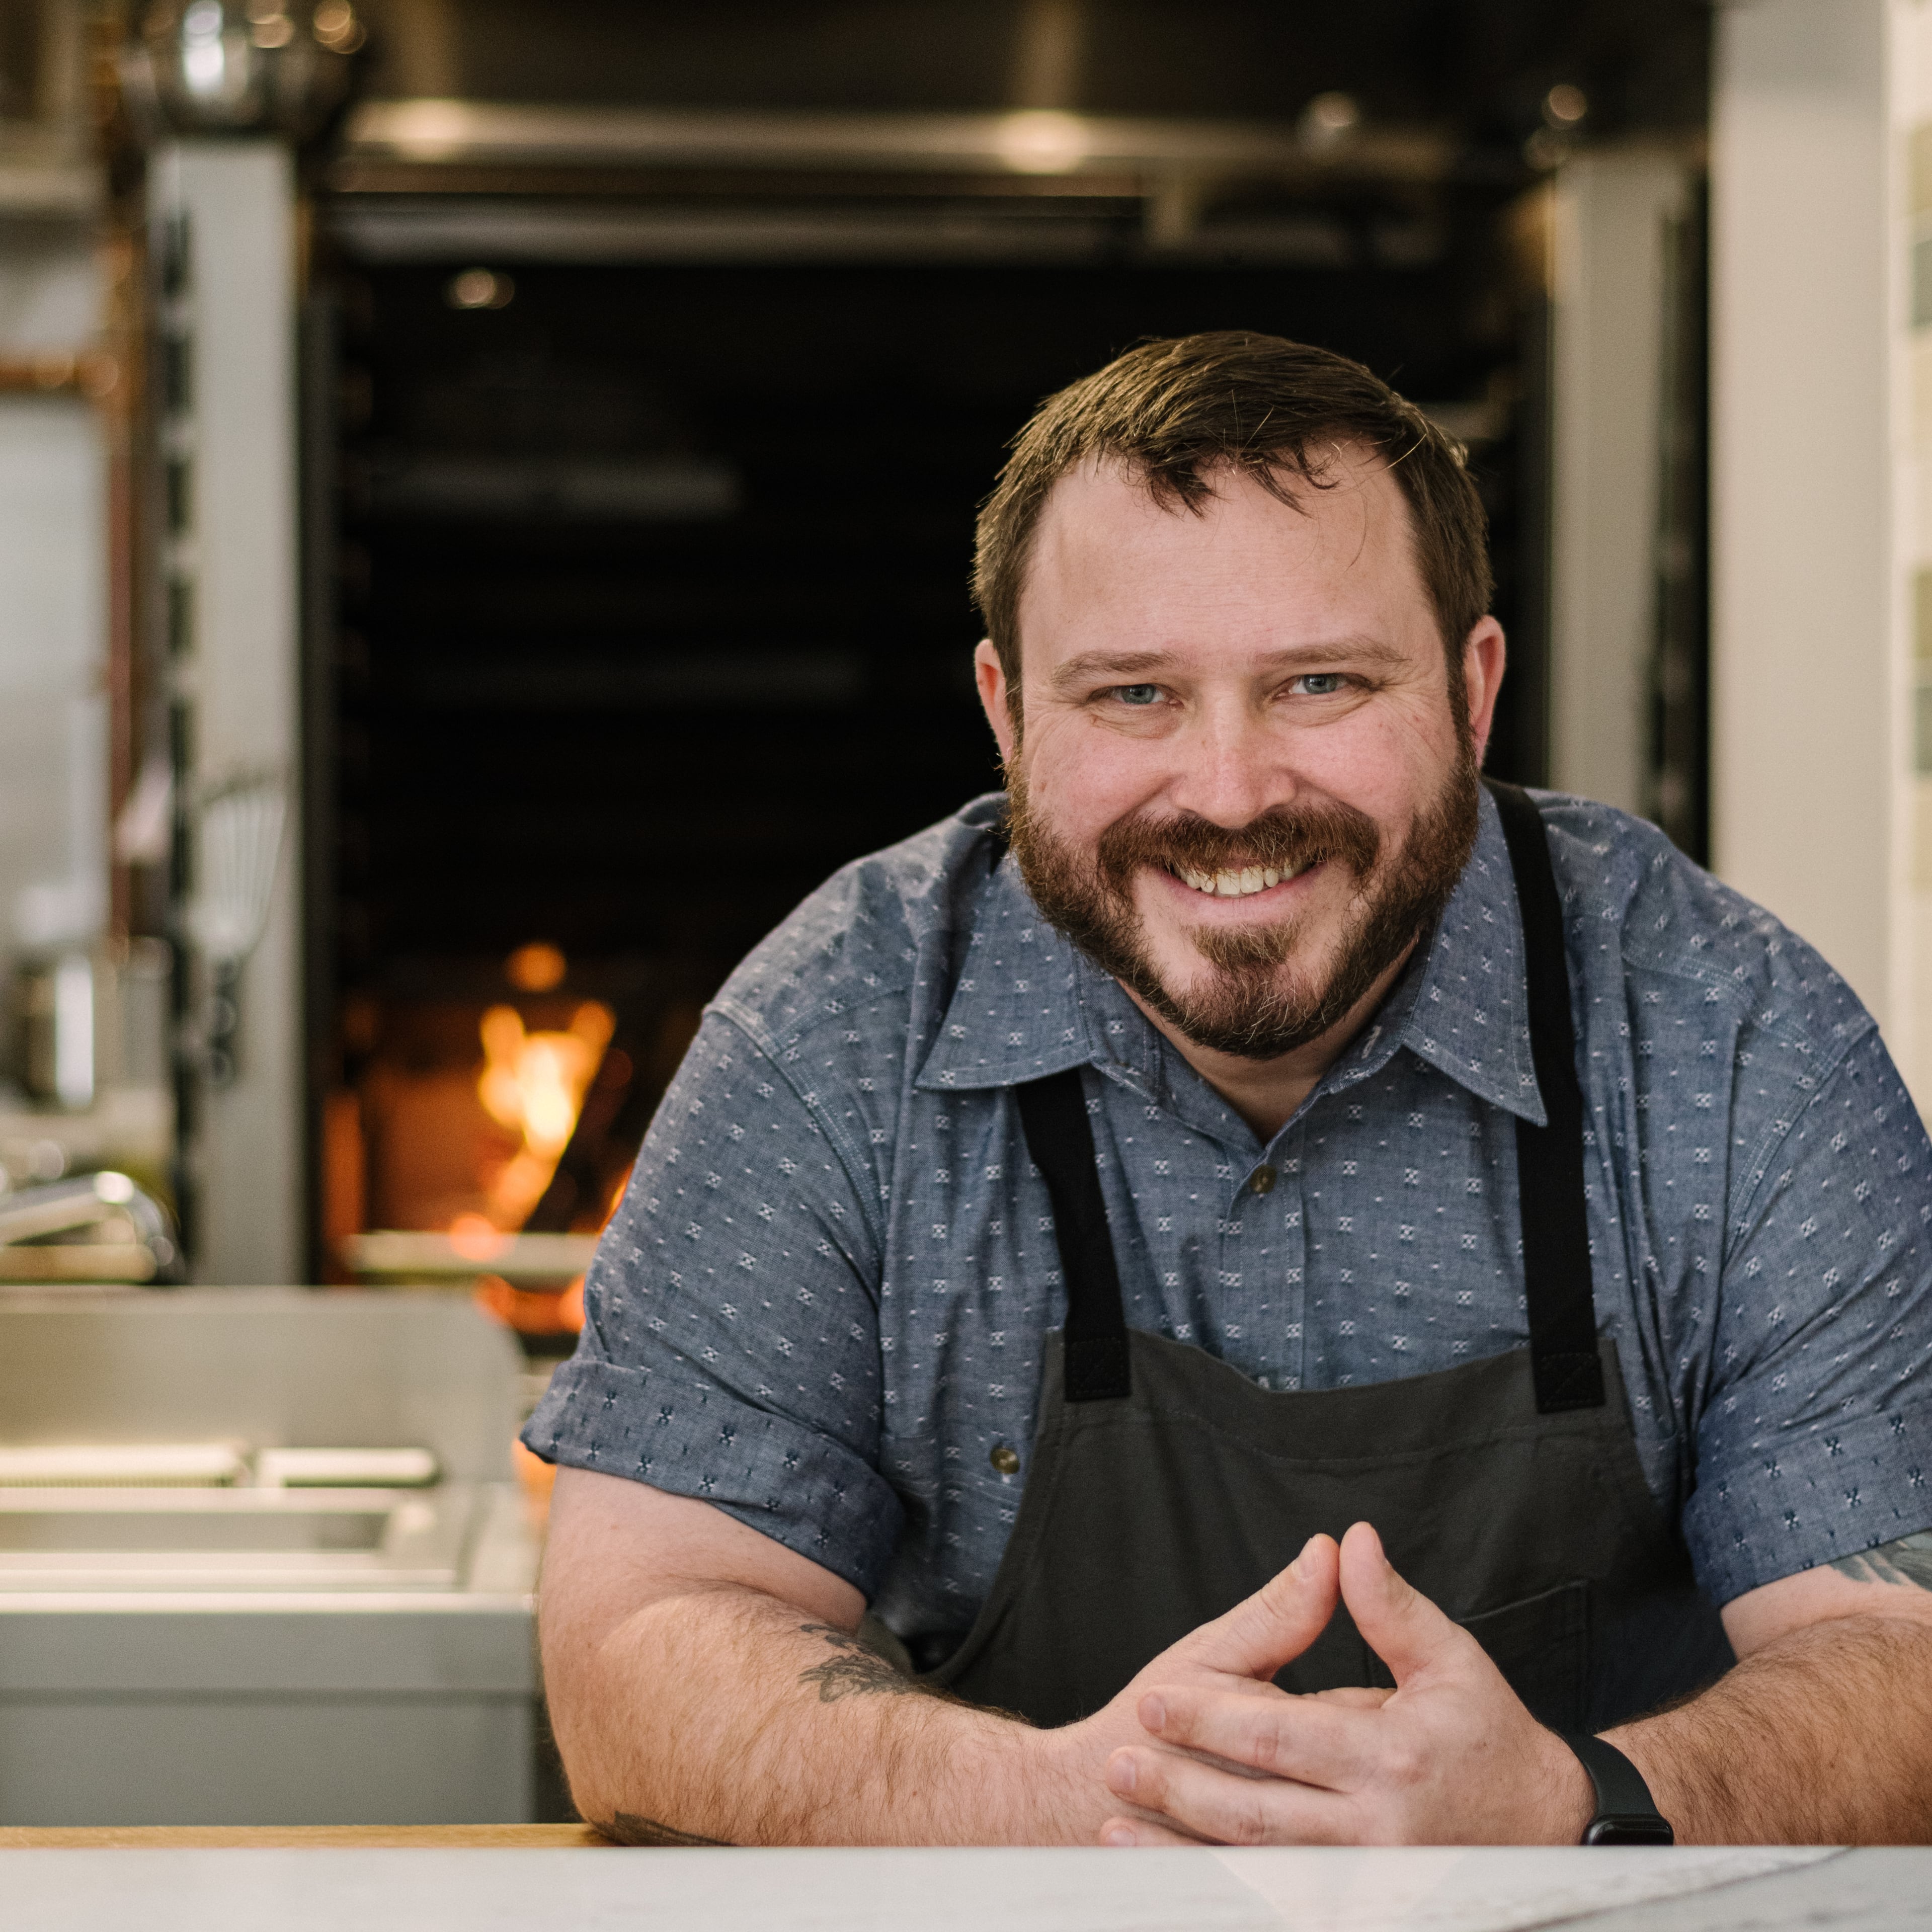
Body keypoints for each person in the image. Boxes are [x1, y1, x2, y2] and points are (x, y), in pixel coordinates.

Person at [526, 332, 1932, 1847]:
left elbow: (1904, 1649)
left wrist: (1568, 1804)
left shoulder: (1734, 1040)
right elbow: (636, 1640)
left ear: (1472, 693)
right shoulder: (833, 1039)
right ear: (1008, 715)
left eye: (1320, 683)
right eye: (1133, 694)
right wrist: (1071, 1805)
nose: (1229, 792)